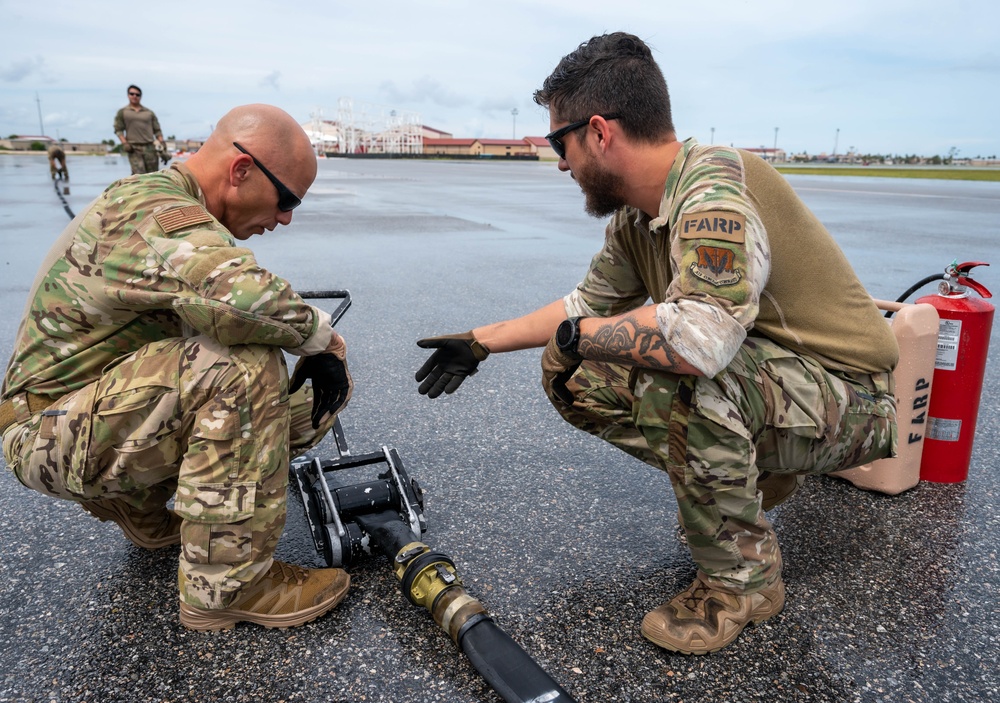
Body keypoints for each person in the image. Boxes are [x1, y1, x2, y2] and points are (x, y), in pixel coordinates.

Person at [414, 33, 898, 655]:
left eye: (557, 142)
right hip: (779, 384)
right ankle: (748, 478)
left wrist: (580, 337)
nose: (559, 162)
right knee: (573, 374)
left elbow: (699, 343)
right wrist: (480, 343)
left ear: (598, 132)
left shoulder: (713, 192)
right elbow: (582, 309)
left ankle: (742, 580)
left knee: (679, 377)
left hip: (853, 398)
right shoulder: (638, 218)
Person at [1, 104, 354, 632]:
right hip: (46, 433)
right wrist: (325, 341)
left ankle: (139, 506)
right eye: (286, 200)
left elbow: (224, 305)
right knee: (241, 365)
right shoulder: (155, 211)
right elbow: (246, 297)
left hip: (74, 416)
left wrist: (309, 350)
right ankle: (229, 587)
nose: (285, 219)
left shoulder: (162, 200)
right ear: (240, 171)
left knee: (303, 407)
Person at [114, 84, 169, 174]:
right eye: (132, 94)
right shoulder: (123, 112)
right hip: (134, 148)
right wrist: (125, 143)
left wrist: (162, 143)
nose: (134, 96)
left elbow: (157, 130)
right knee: (138, 175)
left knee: (153, 175)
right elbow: (118, 129)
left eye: (137, 94)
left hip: (150, 147)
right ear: (128, 95)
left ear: (140, 96)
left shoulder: (149, 113)